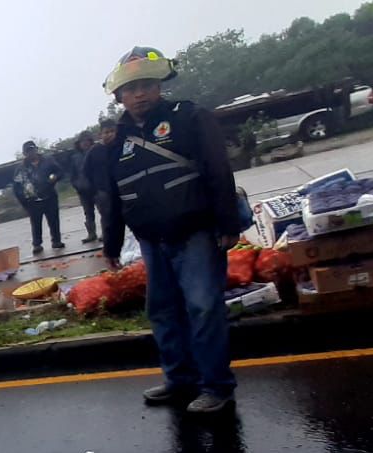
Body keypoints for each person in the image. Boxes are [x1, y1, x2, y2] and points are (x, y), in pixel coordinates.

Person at [101, 47, 242, 414]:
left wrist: (227, 223)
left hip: (195, 233)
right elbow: (113, 195)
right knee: (163, 311)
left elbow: (217, 169)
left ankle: (216, 386)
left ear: (160, 85)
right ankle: (179, 379)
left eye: (147, 85)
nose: (139, 94)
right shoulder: (115, 142)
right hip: (150, 239)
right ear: (119, 96)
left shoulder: (189, 117)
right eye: (131, 89)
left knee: (203, 307)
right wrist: (111, 242)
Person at [12, 141, 65, 254]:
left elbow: (60, 172)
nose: (31, 153)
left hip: (50, 196)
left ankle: (56, 241)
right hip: (33, 201)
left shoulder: (48, 161)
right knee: (36, 223)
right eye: (28, 151)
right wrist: (24, 202)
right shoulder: (21, 169)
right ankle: (37, 244)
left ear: (36, 149)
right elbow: (16, 187)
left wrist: (55, 177)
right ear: (24, 153)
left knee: (54, 220)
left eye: (32, 149)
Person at [83, 119, 120, 245]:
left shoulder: (121, 146)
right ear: (100, 135)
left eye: (112, 131)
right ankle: (109, 242)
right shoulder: (94, 151)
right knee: (107, 218)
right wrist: (95, 190)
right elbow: (86, 171)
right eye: (106, 132)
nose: (109, 134)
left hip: (123, 189)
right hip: (103, 191)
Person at [66, 132, 100, 244]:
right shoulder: (74, 157)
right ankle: (91, 233)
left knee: (103, 211)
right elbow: (72, 175)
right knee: (88, 213)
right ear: (79, 144)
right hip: (83, 191)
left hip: (97, 188)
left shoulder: (97, 152)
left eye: (87, 141)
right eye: (82, 141)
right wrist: (77, 185)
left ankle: (106, 233)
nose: (85, 143)